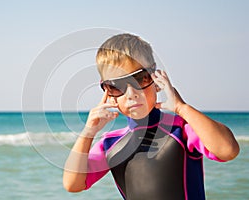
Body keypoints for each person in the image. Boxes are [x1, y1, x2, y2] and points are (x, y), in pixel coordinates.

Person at [63, 33, 239, 199]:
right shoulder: (110, 144)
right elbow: (73, 184)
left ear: (155, 79)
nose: (131, 93)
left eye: (140, 78)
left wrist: (181, 107)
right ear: (108, 91)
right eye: (117, 86)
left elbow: (228, 150)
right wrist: (88, 132)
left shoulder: (181, 130)